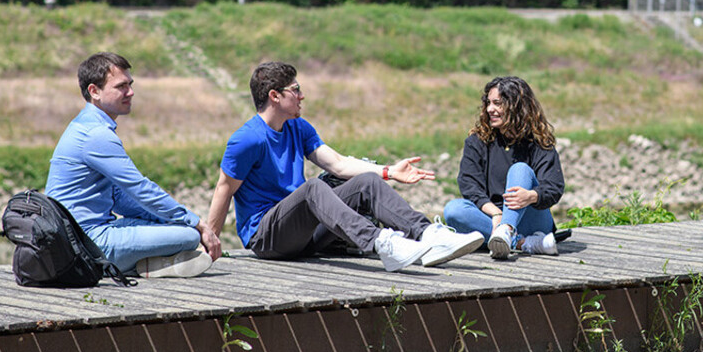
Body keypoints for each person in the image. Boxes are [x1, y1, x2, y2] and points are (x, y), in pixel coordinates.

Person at [205, 61, 483, 272]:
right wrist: (210, 242)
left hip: (304, 236)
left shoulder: (297, 127)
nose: (302, 96)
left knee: (367, 182)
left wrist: (389, 172)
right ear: (275, 96)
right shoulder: (246, 139)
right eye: (296, 90)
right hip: (267, 238)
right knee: (314, 187)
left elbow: (338, 164)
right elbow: (223, 190)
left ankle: (428, 235)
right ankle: (382, 243)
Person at [45, 52, 220, 278]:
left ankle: (153, 265)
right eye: (121, 86)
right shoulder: (95, 135)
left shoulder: (86, 125)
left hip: (82, 238)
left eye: (130, 84)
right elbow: (140, 188)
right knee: (189, 236)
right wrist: (197, 224)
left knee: (172, 226)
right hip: (87, 244)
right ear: (94, 91)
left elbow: (120, 197)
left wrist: (166, 220)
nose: (131, 92)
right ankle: (136, 265)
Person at [444, 76, 565, 259]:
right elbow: (469, 185)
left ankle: (508, 232)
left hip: (533, 220)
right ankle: (521, 242)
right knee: (453, 210)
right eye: (488, 103)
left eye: (497, 104)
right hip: (493, 219)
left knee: (520, 170)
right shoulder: (476, 142)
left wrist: (532, 196)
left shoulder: (538, 142)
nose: (489, 109)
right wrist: (496, 214)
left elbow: (554, 187)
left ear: (516, 106)